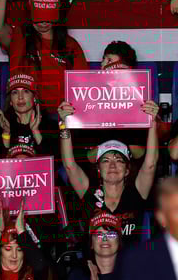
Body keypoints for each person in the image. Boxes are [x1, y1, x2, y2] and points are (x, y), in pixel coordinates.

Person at [58, 105, 159, 246]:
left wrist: (152, 122)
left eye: (119, 160)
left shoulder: (136, 192)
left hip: (129, 263)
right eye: (106, 161)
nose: (112, 165)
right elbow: (69, 165)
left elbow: (150, 165)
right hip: (95, 265)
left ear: (127, 170)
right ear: (98, 169)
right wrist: (64, 125)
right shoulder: (89, 192)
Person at [0, 0, 88, 112]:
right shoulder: (19, 37)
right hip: (24, 112)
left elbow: (82, 84)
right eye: (39, 18)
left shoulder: (70, 44)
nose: (43, 23)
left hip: (61, 112)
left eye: (49, 19)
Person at [0, 71, 44, 155]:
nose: (20, 97)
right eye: (15, 92)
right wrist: (6, 134)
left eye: (26, 91)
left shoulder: (48, 125)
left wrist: (36, 131)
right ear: (10, 101)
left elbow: (51, 162)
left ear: (34, 98)